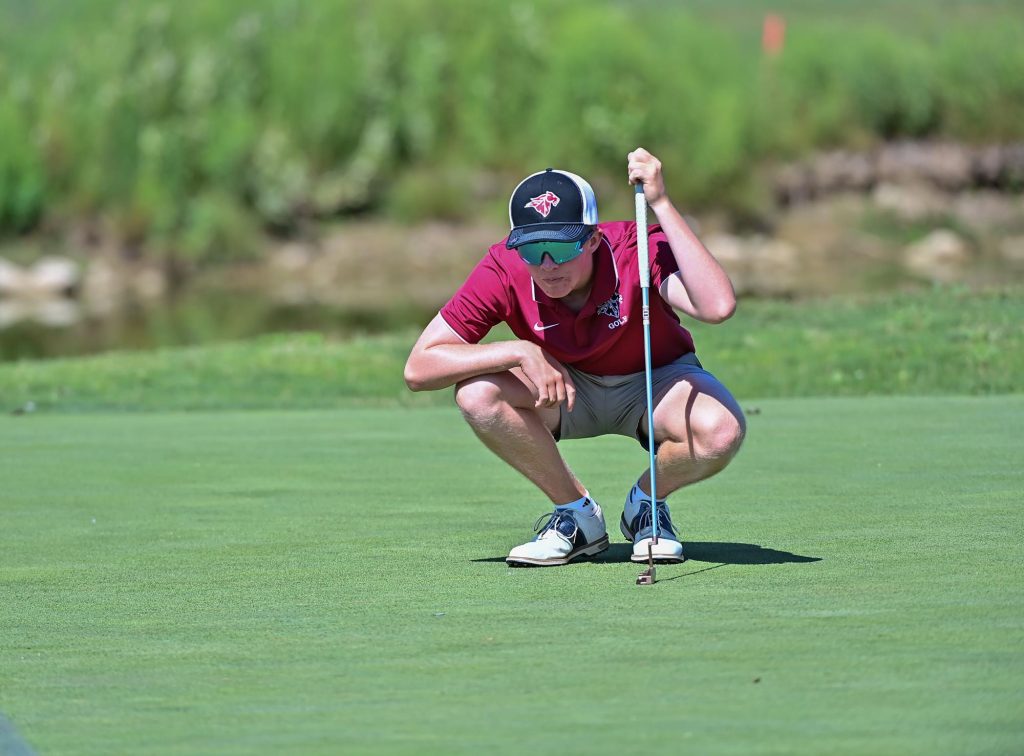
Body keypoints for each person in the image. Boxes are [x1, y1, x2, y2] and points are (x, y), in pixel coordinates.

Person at [404, 148, 745, 567]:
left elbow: (717, 307)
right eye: (533, 250)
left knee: (720, 432)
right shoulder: (503, 268)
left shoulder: (636, 246)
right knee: (477, 394)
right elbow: (419, 368)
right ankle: (576, 516)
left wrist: (659, 202)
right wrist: (519, 350)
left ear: (593, 239)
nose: (547, 265)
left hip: (656, 383)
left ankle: (645, 504)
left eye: (561, 248)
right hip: (565, 389)